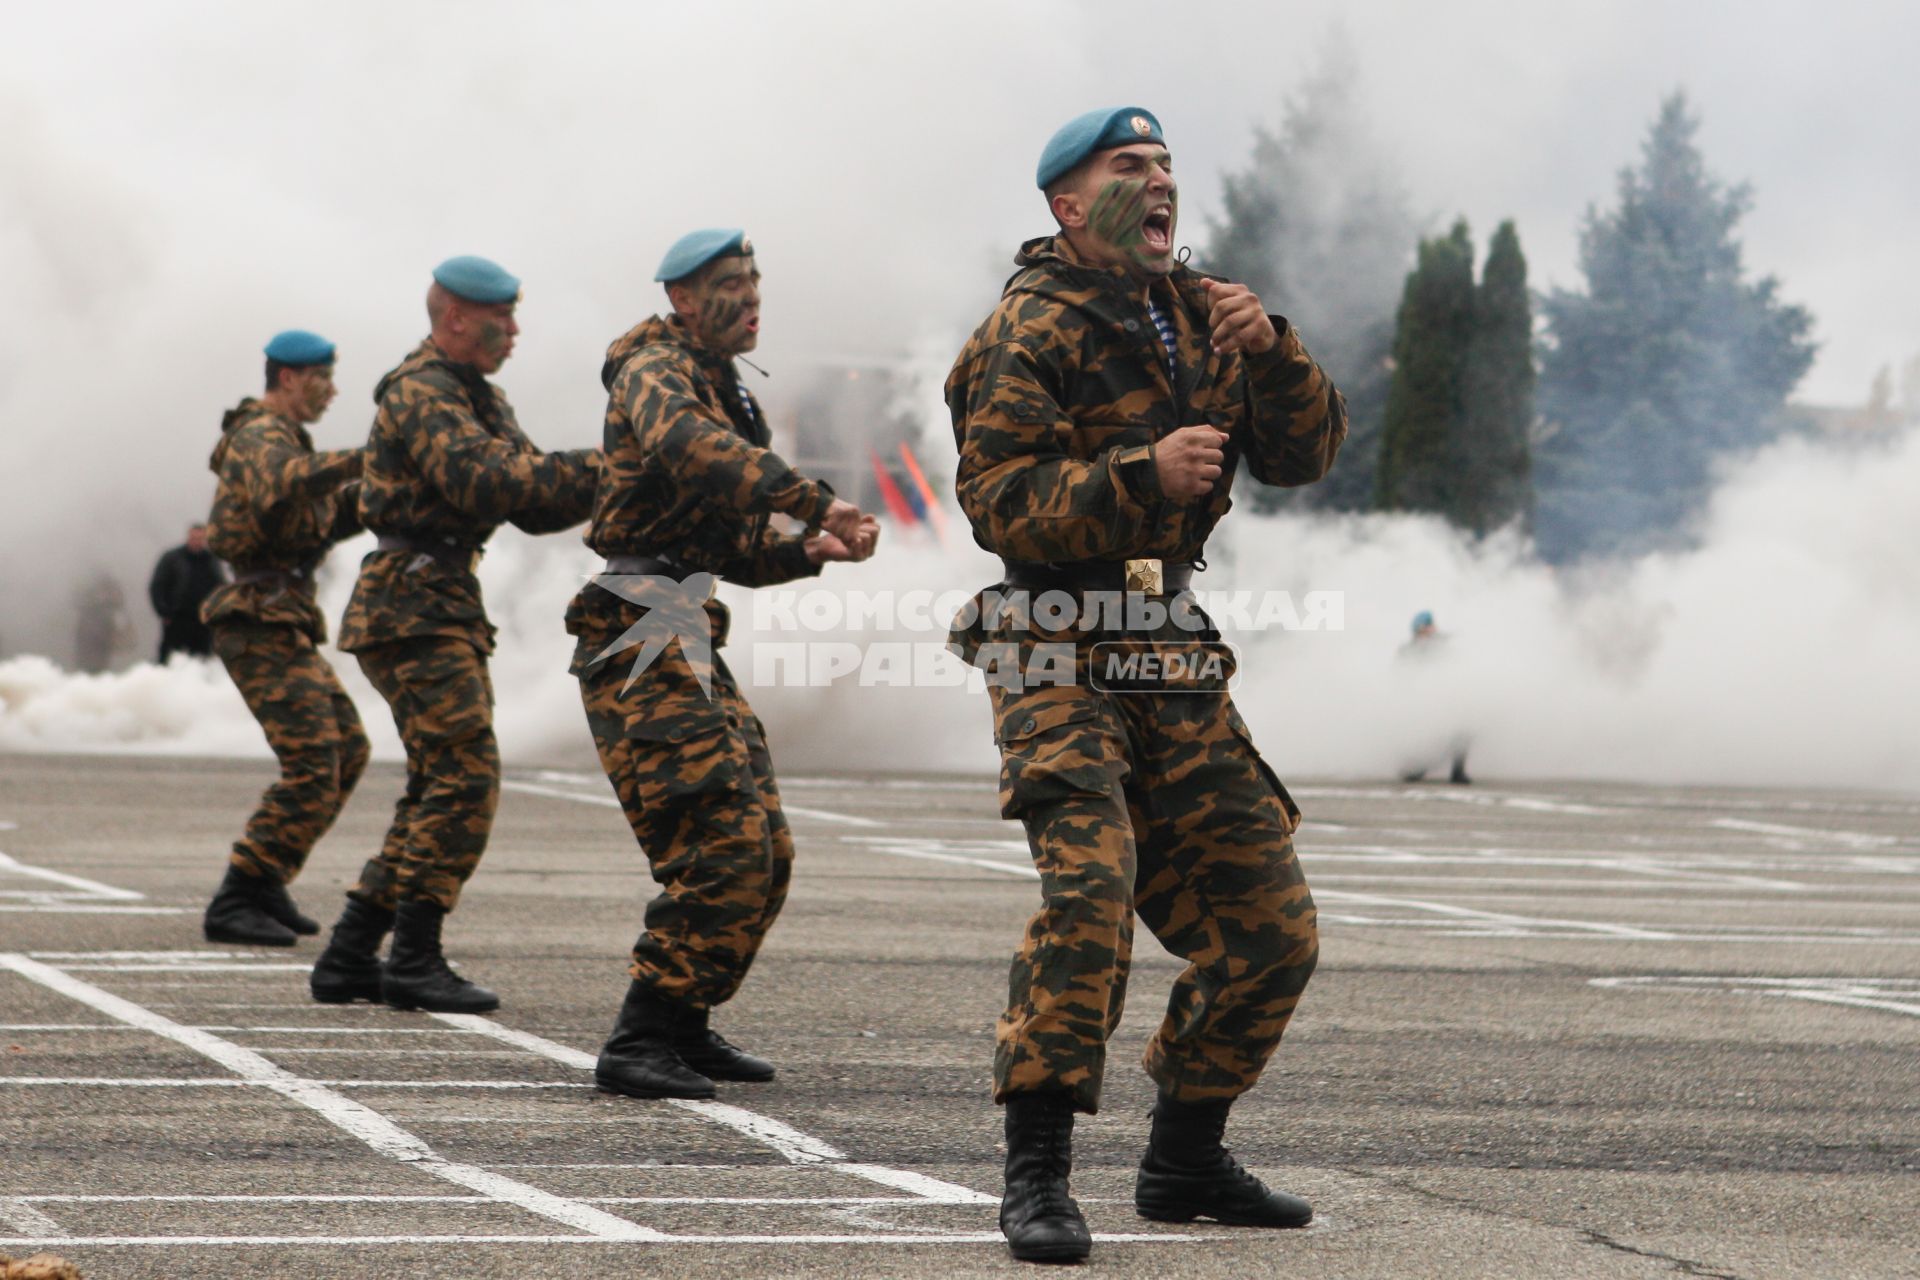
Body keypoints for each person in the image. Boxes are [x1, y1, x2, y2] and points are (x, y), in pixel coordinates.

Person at [946, 107, 1348, 1263]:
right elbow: (997, 501)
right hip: (1052, 630)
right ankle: (1037, 1175)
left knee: (1270, 922)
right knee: (1090, 892)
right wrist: (1139, 469)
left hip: (1164, 636)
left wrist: (1275, 351)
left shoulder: (1202, 314)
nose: (1159, 182)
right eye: (1130, 168)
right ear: (1070, 207)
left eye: (1168, 165)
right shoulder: (1023, 329)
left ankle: (1182, 1158)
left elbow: (1305, 455)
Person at [566, 229, 877, 1101]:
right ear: (683, 300)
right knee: (722, 842)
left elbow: (732, 549)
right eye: (730, 285)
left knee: (766, 843)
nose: (750, 299)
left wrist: (807, 549)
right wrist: (810, 497)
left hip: (684, 620)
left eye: (754, 282)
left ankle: (686, 1018)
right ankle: (642, 1035)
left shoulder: (724, 389)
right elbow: (689, 448)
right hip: (640, 626)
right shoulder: (655, 370)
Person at [311, 256, 600, 1013]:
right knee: (466, 777)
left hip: (435, 599)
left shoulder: (477, 396)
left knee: (438, 780)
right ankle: (413, 957)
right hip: (413, 603)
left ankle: (350, 953)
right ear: (455, 320)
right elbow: (493, 482)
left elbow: (535, 499)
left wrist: (611, 471)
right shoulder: (422, 392)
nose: (515, 331)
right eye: (502, 318)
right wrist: (615, 464)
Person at [200, 329, 369, 947]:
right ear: (291, 377)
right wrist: (364, 458)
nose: (332, 390)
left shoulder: (288, 444)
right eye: (324, 377)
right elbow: (281, 485)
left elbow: (315, 515)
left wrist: (383, 492)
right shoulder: (259, 436)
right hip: (256, 617)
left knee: (347, 748)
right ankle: (238, 893)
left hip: (283, 615)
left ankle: (266, 878)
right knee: (313, 760)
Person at [1397, 610, 1471, 785]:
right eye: (1426, 628)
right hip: (1418, 704)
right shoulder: (1407, 651)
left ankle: (1457, 771)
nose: (1431, 631)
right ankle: (1418, 767)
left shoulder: (1442, 646)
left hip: (1444, 701)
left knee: (1465, 727)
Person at [148, 523, 225, 661]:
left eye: (200, 538)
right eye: (194, 538)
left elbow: (220, 588)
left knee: (201, 661)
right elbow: (157, 586)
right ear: (188, 537)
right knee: (170, 660)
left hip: (203, 621)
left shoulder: (211, 561)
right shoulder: (172, 559)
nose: (196, 542)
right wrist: (164, 611)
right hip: (177, 620)